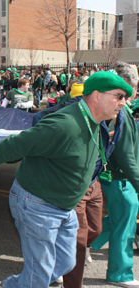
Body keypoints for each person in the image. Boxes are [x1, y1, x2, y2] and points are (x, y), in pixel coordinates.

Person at [0, 71, 132, 288]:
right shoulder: (64, 123)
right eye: (118, 96)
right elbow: (18, 144)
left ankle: (11, 285)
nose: (124, 104)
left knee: (66, 263)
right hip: (37, 204)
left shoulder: (95, 121)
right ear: (96, 95)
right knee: (38, 277)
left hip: (64, 207)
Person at [90, 63, 139, 288]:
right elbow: (127, 156)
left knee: (121, 220)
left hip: (114, 176)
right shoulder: (123, 115)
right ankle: (120, 274)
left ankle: (86, 244)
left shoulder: (118, 111)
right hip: (121, 179)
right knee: (125, 227)